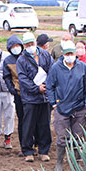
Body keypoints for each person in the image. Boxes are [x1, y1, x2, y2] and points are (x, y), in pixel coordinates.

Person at [47, 41, 86, 171]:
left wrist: (84, 104)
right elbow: (50, 86)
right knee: (62, 137)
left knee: (79, 136)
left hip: (79, 107)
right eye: (67, 53)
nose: (70, 56)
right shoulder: (56, 68)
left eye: (72, 53)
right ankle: (59, 162)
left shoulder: (82, 67)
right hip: (62, 107)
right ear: (63, 54)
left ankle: (77, 163)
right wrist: (54, 103)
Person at [17, 32, 53, 162]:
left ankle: (44, 150)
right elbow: (23, 79)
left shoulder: (46, 55)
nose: (29, 46)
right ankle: (28, 150)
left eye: (31, 44)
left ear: (35, 43)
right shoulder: (21, 60)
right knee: (29, 124)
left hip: (45, 97)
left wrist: (46, 87)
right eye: (27, 44)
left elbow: (52, 72)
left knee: (44, 124)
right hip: (30, 97)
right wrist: (36, 88)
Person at [2, 35, 26, 152]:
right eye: (13, 46)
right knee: (21, 120)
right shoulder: (8, 61)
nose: (16, 48)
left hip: (31, 94)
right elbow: (6, 77)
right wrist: (12, 90)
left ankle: (35, 144)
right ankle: (24, 146)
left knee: (33, 120)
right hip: (18, 94)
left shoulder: (28, 57)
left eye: (17, 45)